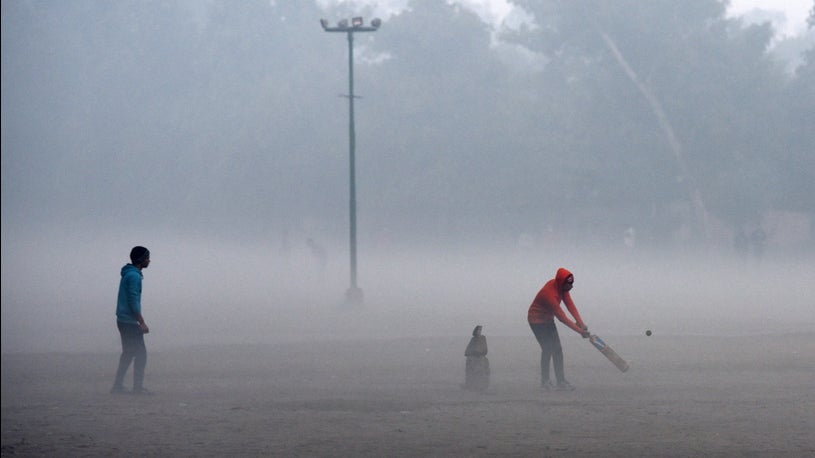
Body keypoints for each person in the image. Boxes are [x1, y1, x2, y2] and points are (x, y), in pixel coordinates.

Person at [527, 267, 590, 391]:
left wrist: (581, 323)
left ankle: (561, 381)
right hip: (536, 321)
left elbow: (570, 305)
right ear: (561, 282)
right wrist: (580, 331)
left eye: (572, 284)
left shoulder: (562, 287)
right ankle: (545, 382)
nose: (571, 287)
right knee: (547, 349)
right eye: (568, 284)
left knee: (558, 350)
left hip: (548, 320)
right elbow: (562, 317)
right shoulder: (549, 294)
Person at [111, 246, 152, 395]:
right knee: (141, 354)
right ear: (141, 260)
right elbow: (133, 300)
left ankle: (117, 386)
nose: (149, 261)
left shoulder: (129, 274)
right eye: (147, 258)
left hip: (123, 320)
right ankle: (137, 388)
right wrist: (141, 321)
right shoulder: (134, 276)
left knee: (128, 353)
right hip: (129, 322)